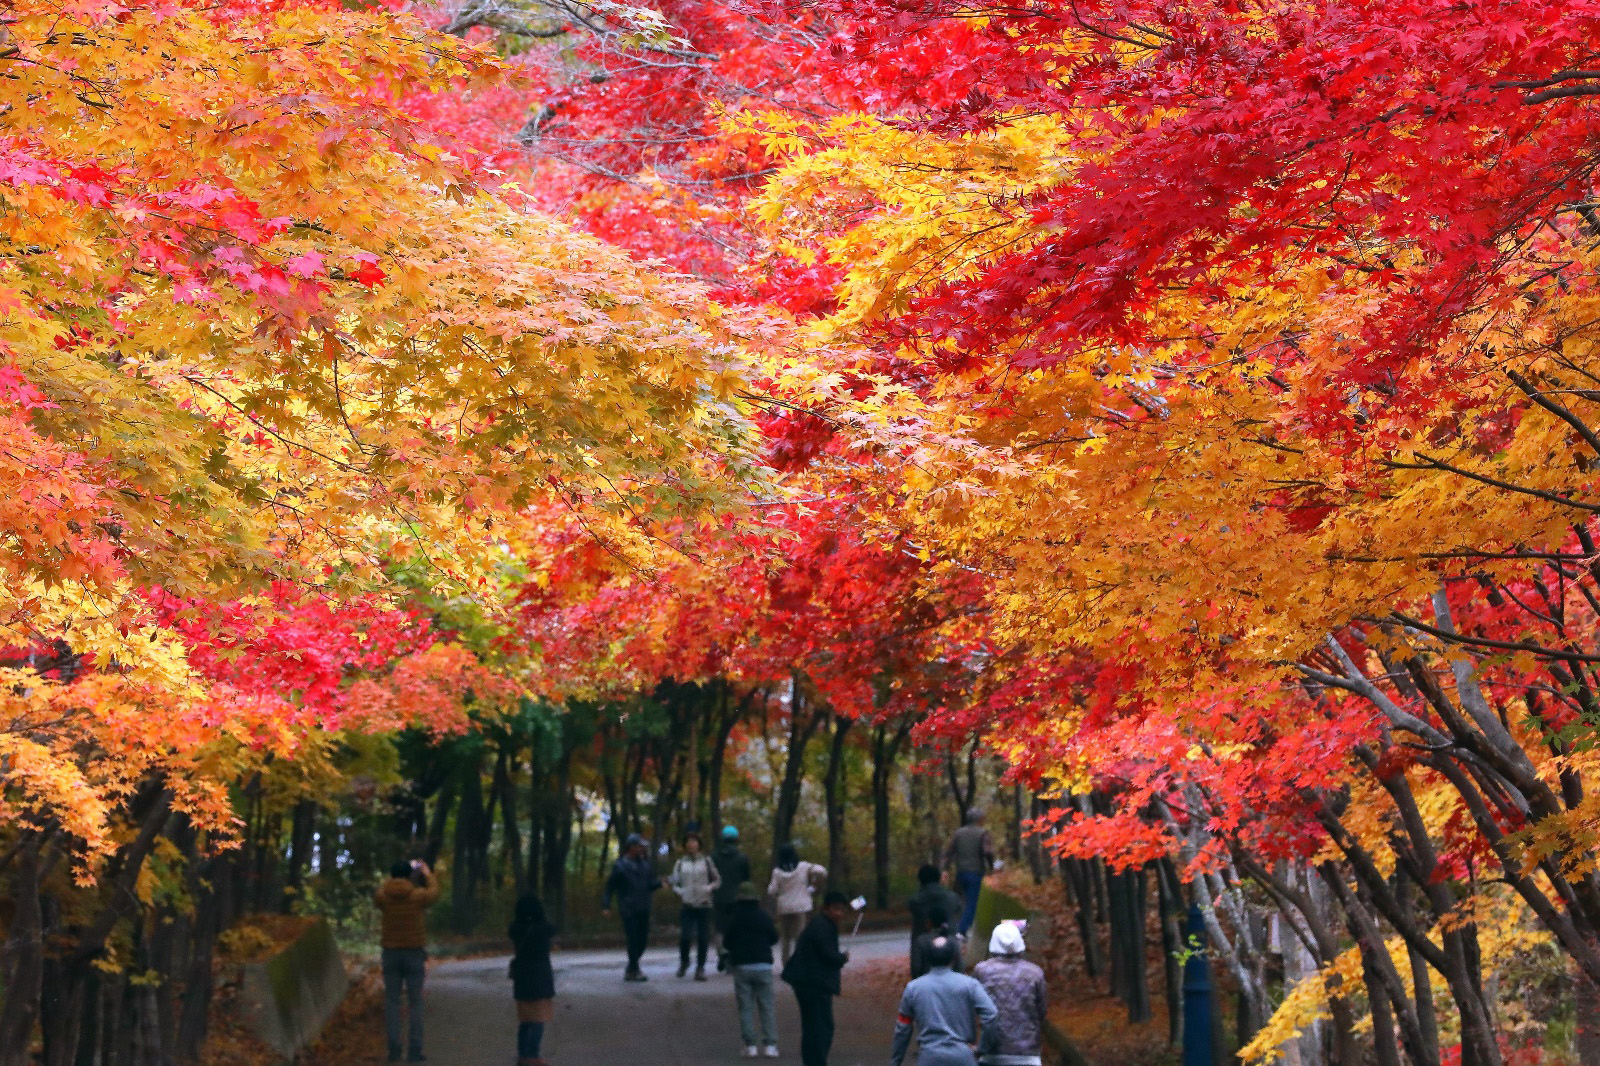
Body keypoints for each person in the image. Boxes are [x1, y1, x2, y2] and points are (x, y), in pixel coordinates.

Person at [889, 934, 1000, 1066]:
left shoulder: (913, 988)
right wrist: (983, 1049)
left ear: (928, 957)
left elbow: (903, 1026)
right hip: (963, 1056)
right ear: (954, 957)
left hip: (929, 1056)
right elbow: (991, 1015)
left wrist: (896, 1061)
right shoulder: (969, 985)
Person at [375, 858, 441, 1063]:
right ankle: (414, 1051)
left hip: (391, 953)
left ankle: (394, 1050)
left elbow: (379, 895)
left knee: (392, 1002)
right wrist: (427, 874)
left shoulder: (383, 896)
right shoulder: (418, 896)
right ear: (410, 875)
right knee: (415, 1002)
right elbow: (435, 893)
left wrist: (392, 881)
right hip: (413, 952)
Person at [781, 890, 850, 1066]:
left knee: (813, 1026)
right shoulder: (822, 926)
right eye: (836, 909)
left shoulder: (821, 924)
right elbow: (827, 954)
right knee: (821, 1027)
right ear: (826, 909)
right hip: (813, 983)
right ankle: (816, 1062)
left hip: (807, 981)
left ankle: (812, 1061)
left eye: (842, 909)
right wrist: (841, 958)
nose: (839, 913)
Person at [973, 922, 1047, 1066]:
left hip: (992, 1052)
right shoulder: (1035, 973)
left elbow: (974, 1008)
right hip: (1028, 1053)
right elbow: (1041, 1011)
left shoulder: (981, 971)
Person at [723, 881, 780, 1058]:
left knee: (746, 1007)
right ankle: (770, 1045)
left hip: (742, 966)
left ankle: (750, 1045)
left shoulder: (735, 918)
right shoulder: (764, 916)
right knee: (767, 1006)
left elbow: (727, 942)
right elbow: (774, 937)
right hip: (763, 965)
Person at [603, 833, 661, 981]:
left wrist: (661, 883)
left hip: (643, 907)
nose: (642, 849)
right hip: (628, 908)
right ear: (631, 847)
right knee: (633, 939)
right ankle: (635, 970)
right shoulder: (620, 866)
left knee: (642, 940)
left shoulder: (645, 865)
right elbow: (610, 887)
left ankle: (631, 967)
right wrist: (606, 905)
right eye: (639, 846)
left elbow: (649, 885)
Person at [508, 892, 556, 1066]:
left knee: (525, 1021)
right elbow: (552, 929)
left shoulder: (515, 929)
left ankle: (523, 1054)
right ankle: (532, 1054)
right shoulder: (542, 929)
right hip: (539, 980)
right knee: (538, 1020)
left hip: (522, 980)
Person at [670, 830, 722, 980]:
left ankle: (700, 968)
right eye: (688, 841)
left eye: (694, 841)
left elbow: (717, 880)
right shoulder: (680, 863)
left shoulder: (706, 861)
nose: (691, 844)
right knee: (685, 936)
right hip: (687, 905)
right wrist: (681, 892)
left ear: (699, 844)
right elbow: (674, 882)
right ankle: (684, 961)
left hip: (704, 904)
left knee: (703, 938)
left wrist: (709, 888)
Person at [767, 842, 827, 964]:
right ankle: (801, 963)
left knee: (785, 938)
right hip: (801, 906)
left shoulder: (777, 871)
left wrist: (779, 894)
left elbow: (771, 891)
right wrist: (813, 887)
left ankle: (786, 964)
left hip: (784, 907)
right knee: (800, 937)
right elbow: (821, 871)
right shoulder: (803, 867)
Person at [942, 808, 996, 935]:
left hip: (960, 872)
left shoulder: (958, 833)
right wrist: (992, 867)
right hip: (975, 872)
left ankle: (952, 926)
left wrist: (945, 869)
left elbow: (949, 852)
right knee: (973, 903)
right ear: (979, 819)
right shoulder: (983, 833)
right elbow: (987, 852)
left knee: (963, 902)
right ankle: (961, 931)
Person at [908, 863, 966, 978]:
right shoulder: (952, 897)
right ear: (938, 878)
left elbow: (916, 967)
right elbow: (959, 908)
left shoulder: (915, 901)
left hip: (924, 954)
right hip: (949, 943)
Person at [711, 824, 752, 971]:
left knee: (719, 928)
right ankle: (734, 956)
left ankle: (722, 953)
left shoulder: (713, 857)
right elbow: (747, 879)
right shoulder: (742, 858)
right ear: (736, 839)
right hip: (737, 898)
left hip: (718, 896)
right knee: (736, 928)